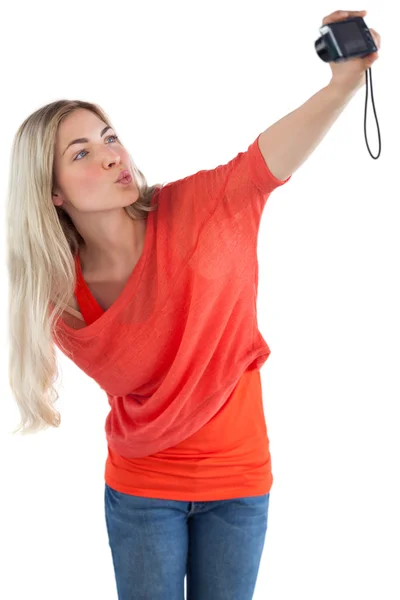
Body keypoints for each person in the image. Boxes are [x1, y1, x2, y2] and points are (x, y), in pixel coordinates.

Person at [5, 9, 380, 600]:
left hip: (238, 476)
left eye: (110, 138)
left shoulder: (200, 209)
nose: (111, 157)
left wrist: (341, 85)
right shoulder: (57, 295)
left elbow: (262, 163)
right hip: (140, 487)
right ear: (50, 192)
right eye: (80, 154)